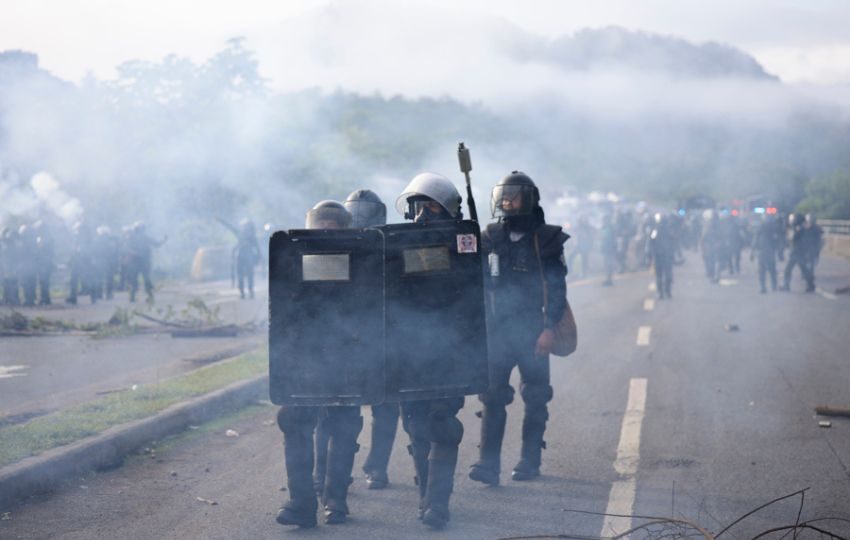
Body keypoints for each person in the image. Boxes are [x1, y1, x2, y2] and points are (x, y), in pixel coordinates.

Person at [469, 171, 568, 487]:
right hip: (498, 330)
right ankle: (487, 463)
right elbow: (478, 282)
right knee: (492, 396)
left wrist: (549, 327)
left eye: (515, 194)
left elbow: (556, 288)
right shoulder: (490, 237)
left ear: (530, 199)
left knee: (536, 395)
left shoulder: (547, 239)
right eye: (504, 194)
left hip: (532, 328)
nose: (507, 199)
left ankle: (529, 459)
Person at [276, 200, 363, 529]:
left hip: (348, 355)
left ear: (344, 228)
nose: (326, 229)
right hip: (306, 357)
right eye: (320, 223)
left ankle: (336, 498)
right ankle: (301, 503)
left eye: (333, 224)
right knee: (293, 421)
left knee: (343, 426)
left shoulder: (361, 257)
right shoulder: (295, 256)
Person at [394, 172, 467, 530]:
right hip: (408, 351)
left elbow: (476, 302)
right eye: (417, 207)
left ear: (448, 210)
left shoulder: (466, 245)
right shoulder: (393, 246)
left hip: (450, 350)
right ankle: (426, 495)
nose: (423, 215)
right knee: (414, 426)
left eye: (432, 206)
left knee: (443, 425)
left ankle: (437, 505)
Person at [344, 189, 399, 490]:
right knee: (344, 409)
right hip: (349, 340)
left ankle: (377, 467)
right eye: (356, 213)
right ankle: (337, 471)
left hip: (386, 337)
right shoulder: (335, 247)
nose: (360, 220)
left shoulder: (391, 247)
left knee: (387, 407)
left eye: (366, 213)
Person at [125, 221, 167, 303]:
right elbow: (157, 244)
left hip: (136, 261)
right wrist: (164, 240)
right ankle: (149, 297)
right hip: (142, 261)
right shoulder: (144, 237)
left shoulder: (131, 237)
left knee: (135, 279)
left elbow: (126, 248)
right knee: (146, 279)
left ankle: (132, 297)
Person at [781, 213, 814, 292]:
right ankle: (810, 285)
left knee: (791, 270)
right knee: (803, 270)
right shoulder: (801, 228)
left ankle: (810, 285)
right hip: (798, 253)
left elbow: (793, 239)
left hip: (798, 253)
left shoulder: (800, 229)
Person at [750, 213, 781, 293]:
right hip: (767, 251)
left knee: (763, 270)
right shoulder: (773, 228)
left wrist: (752, 252)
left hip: (764, 251)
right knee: (770, 269)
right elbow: (777, 241)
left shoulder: (762, 228)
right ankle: (772, 286)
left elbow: (755, 240)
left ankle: (764, 286)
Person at [647, 213, 674, 299]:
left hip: (663, 255)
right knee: (663, 275)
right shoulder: (657, 230)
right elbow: (651, 241)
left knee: (663, 275)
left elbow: (651, 241)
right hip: (661, 255)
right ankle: (663, 292)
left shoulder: (666, 230)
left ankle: (664, 292)